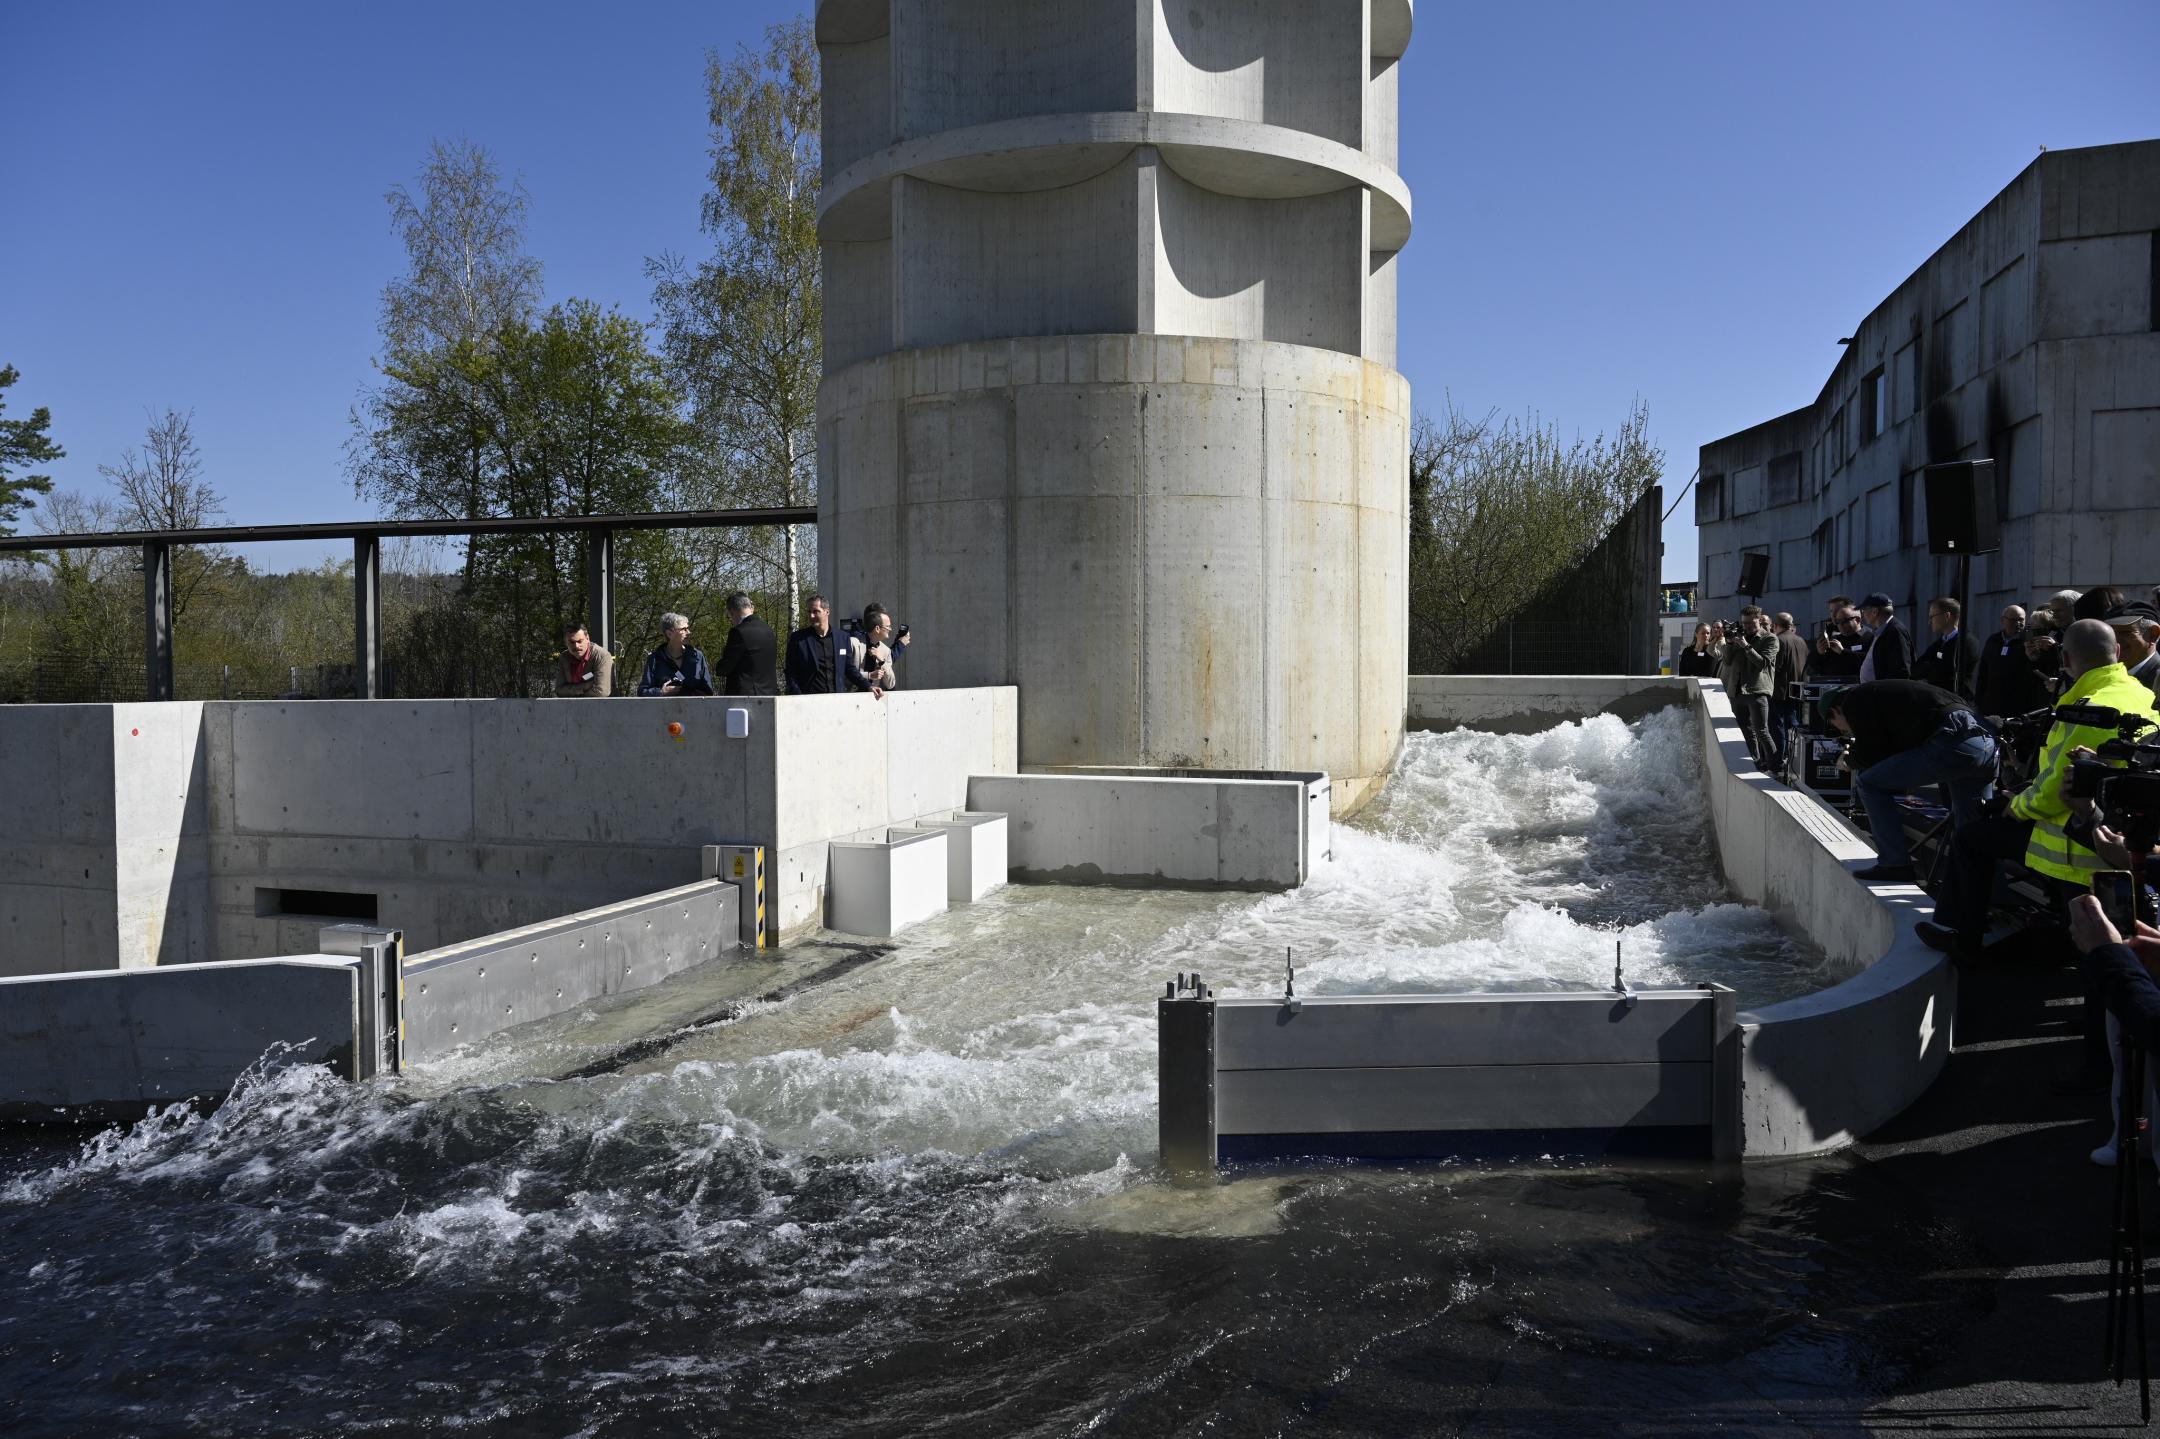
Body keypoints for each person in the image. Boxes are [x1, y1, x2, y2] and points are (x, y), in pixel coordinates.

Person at [1918, 620, 2160, 958]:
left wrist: (2014, 805)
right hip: (2122, 835)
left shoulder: (2087, 709)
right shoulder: (2142, 694)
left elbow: (2057, 787)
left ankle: (1961, 936)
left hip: (2073, 844)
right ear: (2117, 652)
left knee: (1971, 837)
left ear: (2065, 657)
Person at [1822, 680, 1998, 882]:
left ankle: (1895, 863)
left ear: (1835, 711)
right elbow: (1891, 750)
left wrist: (1848, 761)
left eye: (1837, 728)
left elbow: (1872, 753)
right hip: (1984, 741)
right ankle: (1994, 895)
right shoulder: (1883, 696)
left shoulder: (1853, 702)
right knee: (1974, 826)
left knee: (1868, 783)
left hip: (1953, 742)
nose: (1845, 732)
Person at [1720, 607, 1779, 771]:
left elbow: (1762, 663)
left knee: (1762, 731)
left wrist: (1746, 646)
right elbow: (1727, 661)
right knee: (1745, 731)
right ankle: (1756, 764)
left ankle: (1776, 767)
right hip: (1737, 690)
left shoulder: (1770, 639)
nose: (1746, 626)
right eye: (1744, 623)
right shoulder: (1740, 636)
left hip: (1757, 690)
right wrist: (1730, 644)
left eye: (1750, 623)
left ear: (1759, 620)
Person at [786, 594, 875, 695]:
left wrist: (868, 686)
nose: (811, 616)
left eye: (815, 611)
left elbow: (850, 669)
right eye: (809, 612)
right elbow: (790, 673)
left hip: (836, 701)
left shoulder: (842, 638)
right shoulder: (798, 639)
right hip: (809, 702)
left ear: (827, 612)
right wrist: (799, 697)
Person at [1973, 605, 2048, 719]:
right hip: (1991, 704)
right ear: (2003, 620)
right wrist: (1978, 701)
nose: (2018, 623)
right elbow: (1983, 671)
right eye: (2013, 620)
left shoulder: (2030, 641)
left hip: (2018, 705)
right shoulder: (1993, 640)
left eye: (2021, 620)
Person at [1911, 597, 1977, 700]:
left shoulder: (1967, 643)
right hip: (1940, 700)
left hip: (1957, 704)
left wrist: (1931, 667)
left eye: (1932, 616)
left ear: (1947, 616)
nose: (1930, 621)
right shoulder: (1939, 644)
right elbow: (1916, 669)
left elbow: (1949, 674)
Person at [715, 591, 778, 697]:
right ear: (750, 607)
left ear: (732, 611)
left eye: (729, 616)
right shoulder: (768, 629)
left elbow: (726, 666)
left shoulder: (738, 632)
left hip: (745, 697)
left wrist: (718, 667)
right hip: (769, 694)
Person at [637, 611, 715, 697]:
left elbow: (708, 692)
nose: (688, 632)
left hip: (693, 709)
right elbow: (642, 692)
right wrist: (660, 692)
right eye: (683, 629)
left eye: (688, 628)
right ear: (669, 634)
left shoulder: (697, 656)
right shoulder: (655, 659)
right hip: (664, 709)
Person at [1770, 612, 1810, 769]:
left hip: (1779, 691)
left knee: (1778, 726)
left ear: (1775, 625)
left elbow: (1776, 667)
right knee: (1792, 724)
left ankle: (1780, 759)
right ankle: (1793, 758)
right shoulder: (1800, 640)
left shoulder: (1778, 640)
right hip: (1797, 690)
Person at [847, 602, 910, 699]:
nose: (891, 629)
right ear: (877, 628)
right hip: (850, 699)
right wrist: (869, 675)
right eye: (888, 626)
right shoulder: (853, 643)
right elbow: (844, 674)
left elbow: (891, 684)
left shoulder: (886, 651)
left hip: (873, 701)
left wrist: (881, 660)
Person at [2106, 600, 2160, 695]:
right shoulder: (2104, 675)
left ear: (2153, 634)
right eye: (2110, 633)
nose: (2115, 640)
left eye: (2125, 632)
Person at [1858, 592, 1913, 682]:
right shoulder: (1882, 631)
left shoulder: (1895, 631)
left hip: (1885, 693)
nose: (1862, 613)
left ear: (1874, 612)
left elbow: (1901, 671)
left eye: (1864, 609)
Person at [553, 622, 614, 698]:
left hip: (604, 707)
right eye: (571, 642)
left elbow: (601, 692)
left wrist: (572, 692)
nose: (576, 646)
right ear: (565, 643)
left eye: (580, 641)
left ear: (587, 639)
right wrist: (586, 686)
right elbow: (559, 690)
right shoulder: (564, 657)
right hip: (571, 707)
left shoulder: (602, 656)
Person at [1810, 607, 1869, 680]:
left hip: (1857, 687)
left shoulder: (1869, 638)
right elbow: (1812, 664)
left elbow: (1870, 663)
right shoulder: (1835, 639)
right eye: (1837, 621)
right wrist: (1819, 652)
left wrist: (1843, 652)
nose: (1840, 625)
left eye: (1843, 621)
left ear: (1857, 620)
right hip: (1831, 687)